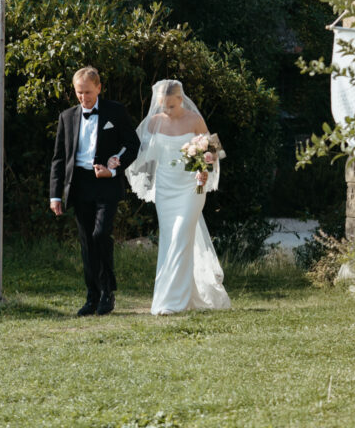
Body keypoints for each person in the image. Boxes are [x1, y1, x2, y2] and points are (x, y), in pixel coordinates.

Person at [126, 78, 231, 315]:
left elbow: (215, 151)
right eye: (163, 106)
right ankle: (174, 297)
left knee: (181, 234)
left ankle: (174, 302)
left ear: (180, 100)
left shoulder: (195, 120)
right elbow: (141, 155)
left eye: (171, 106)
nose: (167, 110)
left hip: (190, 188)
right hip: (165, 189)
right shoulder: (153, 123)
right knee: (170, 240)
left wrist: (204, 168)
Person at [50, 66, 140, 316]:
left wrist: (113, 168)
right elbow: (59, 159)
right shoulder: (67, 117)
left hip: (106, 182)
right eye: (79, 93)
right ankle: (92, 296)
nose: (83, 97)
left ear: (99, 88)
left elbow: (133, 145)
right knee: (87, 242)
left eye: (88, 92)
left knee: (101, 234)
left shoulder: (116, 111)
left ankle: (107, 292)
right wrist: (55, 195)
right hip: (79, 184)